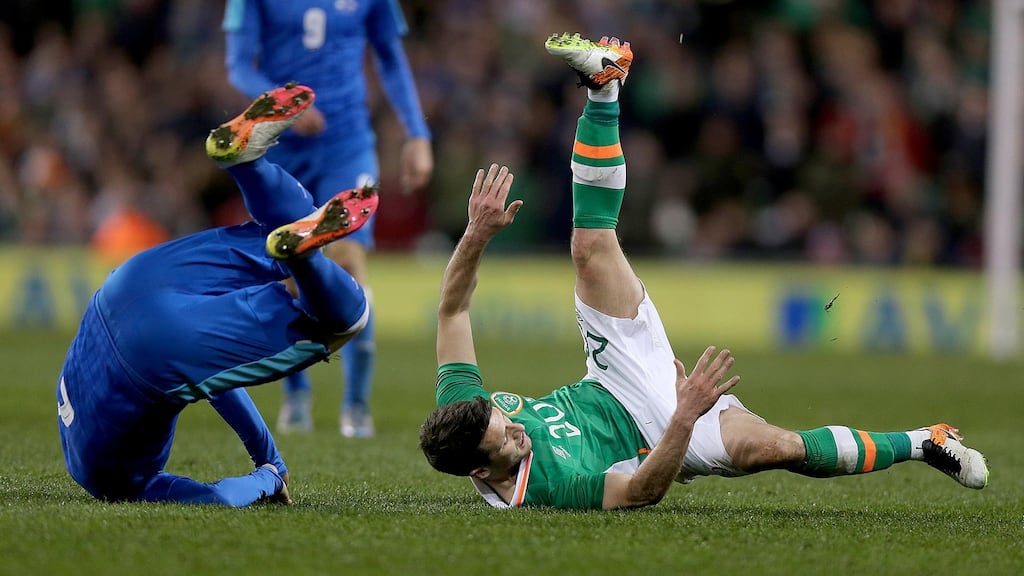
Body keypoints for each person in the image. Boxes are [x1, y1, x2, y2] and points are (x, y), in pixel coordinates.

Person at [418, 33, 989, 511]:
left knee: (590, 246)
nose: (517, 429)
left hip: (614, 372)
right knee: (779, 449)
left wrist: (475, 234)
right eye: (509, 441)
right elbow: (639, 493)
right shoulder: (540, 490)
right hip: (662, 434)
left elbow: (452, 310)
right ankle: (926, 441)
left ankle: (604, 87)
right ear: (478, 468)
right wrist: (685, 416)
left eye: (504, 418)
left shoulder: (464, 408)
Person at [56, 84, 378, 506]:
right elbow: (210, 381)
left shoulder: (118, 485)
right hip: (121, 288)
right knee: (277, 230)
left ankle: (305, 261)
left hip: (151, 354)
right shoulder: (74, 437)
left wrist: (269, 477)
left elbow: (219, 499)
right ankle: (248, 166)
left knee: (347, 319)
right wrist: (268, 455)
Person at [222, 0, 434, 437]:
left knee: (349, 259)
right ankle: (296, 394)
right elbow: (239, 65)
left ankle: (355, 406)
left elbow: (391, 59)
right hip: (282, 145)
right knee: (289, 269)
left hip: (348, 142)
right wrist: (281, 106)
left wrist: (417, 133)